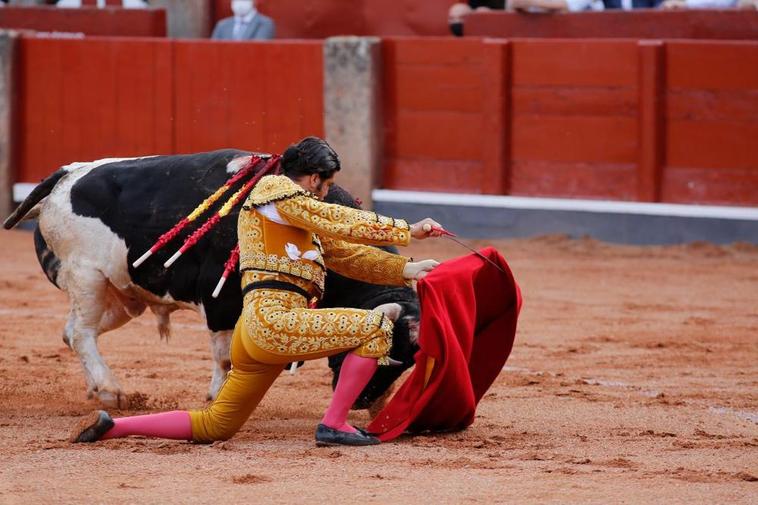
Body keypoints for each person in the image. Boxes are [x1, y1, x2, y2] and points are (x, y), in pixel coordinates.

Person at [70, 137, 444, 447]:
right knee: (376, 328)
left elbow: (344, 255)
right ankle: (334, 424)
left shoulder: (295, 220)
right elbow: (336, 218)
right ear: (314, 179)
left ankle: (115, 427)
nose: (327, 194)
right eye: (327, 185)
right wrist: (405, 229)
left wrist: (406, 269)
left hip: (258, 333)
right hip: (276, 321)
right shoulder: (274, 190)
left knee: (216, 425)